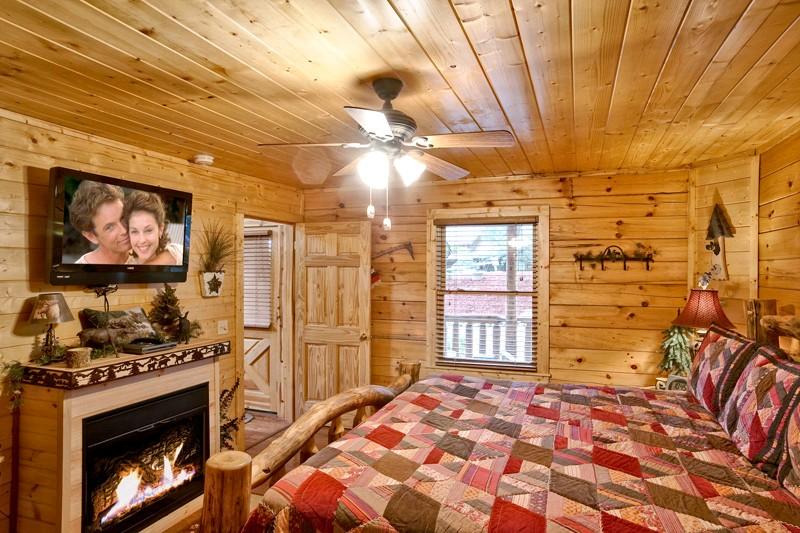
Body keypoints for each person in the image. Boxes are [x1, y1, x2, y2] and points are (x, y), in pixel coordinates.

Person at [69, 180, 132, 264]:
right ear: (91, 236)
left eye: (123, 218)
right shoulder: (80, 274)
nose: (124, 231)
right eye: (110, 227)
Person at [122, 191, 183, 265]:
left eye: (148, 230)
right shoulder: (126, 267)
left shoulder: (177, 253)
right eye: (134, 231)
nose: (142, 240)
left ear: (160, 229)